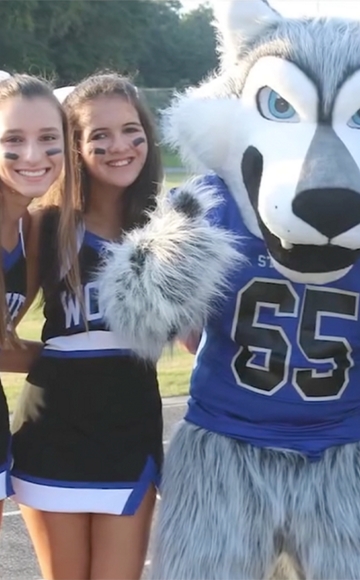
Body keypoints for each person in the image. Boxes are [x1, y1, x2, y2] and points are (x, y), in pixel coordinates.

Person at [10, 73, 164, 580]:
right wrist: (58, 360)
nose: (119, 146)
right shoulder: (45, 225)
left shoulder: (169, 230)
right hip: (54, 430)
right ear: (75, 146)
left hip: (129, 429)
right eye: (99, 135)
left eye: (130, 130)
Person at [0, 72, 78, 531]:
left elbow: (5, 343)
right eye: (13, 139)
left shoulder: (29, 231)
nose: (33, 155)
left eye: (48, 138)